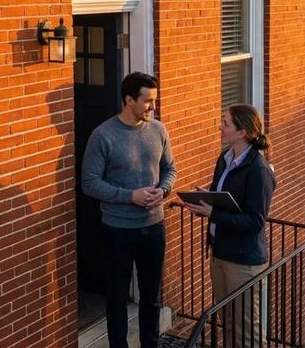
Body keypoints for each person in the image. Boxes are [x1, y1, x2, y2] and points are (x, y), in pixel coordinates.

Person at [82, 72, 177, 348]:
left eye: (154, 101)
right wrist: (130, 196)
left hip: (154, 227)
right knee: (117, 298)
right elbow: (89, 183)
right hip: (118, 231)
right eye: (147, 101)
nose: (153, 107)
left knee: (151, 297)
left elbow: (170, 168)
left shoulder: (158, 130)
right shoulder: (103, 135)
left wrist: (164, 189)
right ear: (129, 100)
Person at [184, 104, 276, 347]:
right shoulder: (224, 159)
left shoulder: (259, 170)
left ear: (242, 132)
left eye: (225, 123)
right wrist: (207, 199)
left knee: (246, 331)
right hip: (220, 253)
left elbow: (255, 221)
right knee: (227, 323)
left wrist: (213, 213)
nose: (220, 127)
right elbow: (225, 199)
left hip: (244, 261)